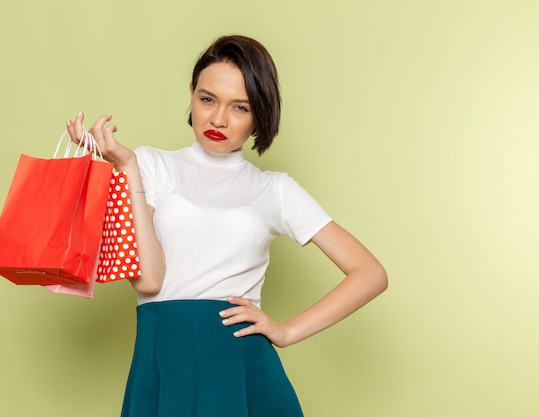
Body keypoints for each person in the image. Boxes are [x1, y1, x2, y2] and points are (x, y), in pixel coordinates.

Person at [66, 34, 388, 417]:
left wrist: (286, 332)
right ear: (191, 94)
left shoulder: (276, 190)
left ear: (259, 114)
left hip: (241, 360)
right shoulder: (150, 165)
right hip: (162, 356)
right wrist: (127, 168)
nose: (219, 119)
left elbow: (370, 273)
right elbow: (149, 281)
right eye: (207, 99)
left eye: (240, 107)